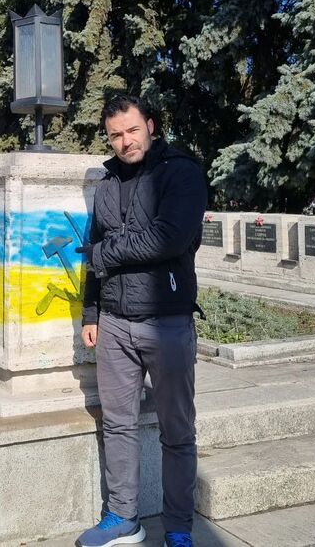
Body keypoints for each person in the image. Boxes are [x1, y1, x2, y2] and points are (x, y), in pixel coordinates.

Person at [76, 95, 207, 547]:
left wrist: (106, 253)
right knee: (117, 424)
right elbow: (93, 247)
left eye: (132, 130)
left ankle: (177, 527)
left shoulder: (181, 171)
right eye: (116, 135)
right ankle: (123, 518)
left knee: (176, 429)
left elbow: (170, 237)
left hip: (166, 321)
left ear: (150, 125)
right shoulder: (108, 181)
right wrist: (90, 312)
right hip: (113, 322)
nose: (125, 141)